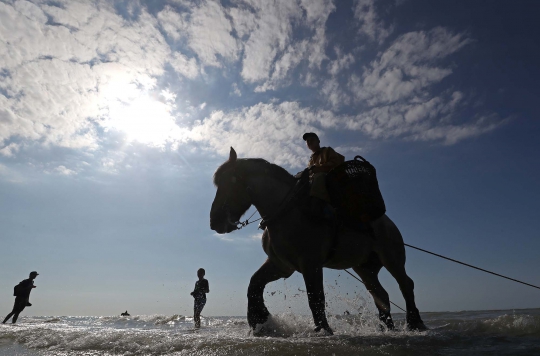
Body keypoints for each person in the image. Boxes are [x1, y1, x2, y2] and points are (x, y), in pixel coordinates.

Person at [302, 132, 344, 218]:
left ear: (318, 141)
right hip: (315, 183)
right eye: (307, 141)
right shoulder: (310, 161)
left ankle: (318, 207)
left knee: (319, 176)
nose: (309, 142)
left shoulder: (327, 150)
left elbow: (335, 164)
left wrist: (317, 169)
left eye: (312, 140)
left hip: (330, 180)